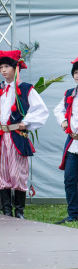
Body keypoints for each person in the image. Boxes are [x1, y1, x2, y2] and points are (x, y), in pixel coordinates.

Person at [0, 50, 47, 220]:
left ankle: (19, 212)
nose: (3, 70)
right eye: (1, 67)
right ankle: (7, 212)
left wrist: (26, 122)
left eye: (7, 66)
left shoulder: (25, 89)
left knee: (18, 172)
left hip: (16, 135)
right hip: (0, 136)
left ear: (16, 68)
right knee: (2, 172)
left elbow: (40, 110)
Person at [54, 57, 78, 224]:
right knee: (69, 179)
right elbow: (58, 109)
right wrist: (63, 122)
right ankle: (73, 214)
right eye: (76, 72)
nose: (77, 75)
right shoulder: (70, 93)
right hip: (73, 144)